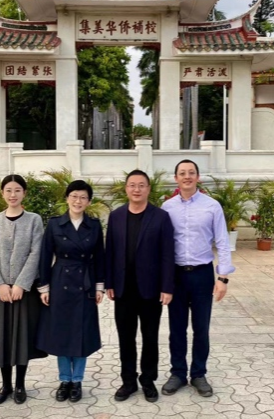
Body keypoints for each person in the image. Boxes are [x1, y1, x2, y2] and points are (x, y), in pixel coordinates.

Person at [161, 160, 235, 398]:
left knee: (201, 328)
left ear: (198, 177)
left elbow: (222, 241)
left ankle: (199, 374)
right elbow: (161, 245)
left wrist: (223, 277)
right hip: (176, 275)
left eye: (191, 173)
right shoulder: (167, 208)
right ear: (176, 178)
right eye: (182, 173)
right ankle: (178, 373)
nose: (187, 176)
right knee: (177, 328)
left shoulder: (212, 206)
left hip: (203, 274)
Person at [106, 170, 176, 403]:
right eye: (132, 185)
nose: (136, 189)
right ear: (126, 188)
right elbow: (110, 251)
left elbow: (167, 254)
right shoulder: (116, 216)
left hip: (151, 290)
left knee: (150, 337)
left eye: (141, 185)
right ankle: (128, 381)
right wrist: (109, 282)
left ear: (148, 189)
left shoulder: (161, 217)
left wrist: (167, 287)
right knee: (125, 338)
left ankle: (148, 380)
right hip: (123, 290)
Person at [0, 175, 46, 406]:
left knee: (22, 338)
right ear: (2, 193)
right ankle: (6, 385)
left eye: (17, 190)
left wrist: (21, 284)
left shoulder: (34, 220)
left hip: (24, 291)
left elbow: (36, 253)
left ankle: (20, 385)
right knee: (3, 338)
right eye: (8, 190)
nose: (13, 194)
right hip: (0, 293)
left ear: (24, 193)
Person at [37, 181, 105, 403]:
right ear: (67, 198)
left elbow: (100, 257)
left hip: (85, 283)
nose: (78, 201)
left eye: (83, 197)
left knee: (82, 332)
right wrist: (44, 287)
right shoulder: (55, 224)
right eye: (74, 196)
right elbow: (45, 256)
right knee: (62, 332)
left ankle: (77, 380)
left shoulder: (94, 225)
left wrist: (99, 286)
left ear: (89, 201)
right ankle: (64, 379)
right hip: (60, 282)